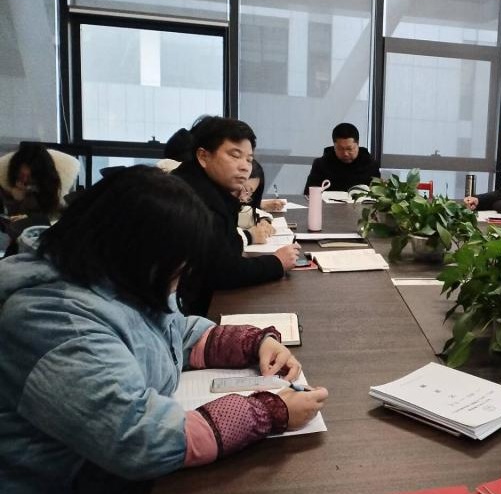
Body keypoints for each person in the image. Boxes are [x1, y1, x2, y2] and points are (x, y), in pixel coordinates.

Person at [0, 166, 329, 493]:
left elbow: (174, 332)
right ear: (134, 250)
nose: (180, 278)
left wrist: (253, 344)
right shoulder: (51, 320)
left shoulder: (118, 279)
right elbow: (138, 439)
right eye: (177, 267)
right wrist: (269, 411)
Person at [175, 116, 299, 315]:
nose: (245, 167)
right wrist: (277, 262)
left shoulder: (208, 189)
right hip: (181, 313)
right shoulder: (195, 199)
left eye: (249, 159)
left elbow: (226, 248)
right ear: (203, 156)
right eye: (235, 155)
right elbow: (222, 272)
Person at [0, 141, 78, 218]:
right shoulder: (4, 187)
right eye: (21, 175)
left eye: (30, 177)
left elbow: (53, 210)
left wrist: (26, 198)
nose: (24, 180)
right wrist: (14, 198)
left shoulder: (49, 187)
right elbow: (8, 217)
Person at [303, 122, 380, 193]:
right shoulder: (321, 164)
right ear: (334, 145)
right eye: (340, 149)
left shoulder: (370, 165)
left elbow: (378, 196)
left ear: (358, 144)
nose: (345, 153)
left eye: (349, 149)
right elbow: (309, 194)